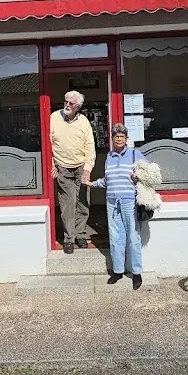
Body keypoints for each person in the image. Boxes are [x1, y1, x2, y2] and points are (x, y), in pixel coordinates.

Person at [88, 123, 145, 289]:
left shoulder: (135, 154)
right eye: (116, 136)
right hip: (112, 202)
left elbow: (149, 174)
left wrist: (138, 177)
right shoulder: (109, 157)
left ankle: (136, 273)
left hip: (130, 201)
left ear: (126, 139)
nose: (119, 139)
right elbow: (107, 180)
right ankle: (118, 271)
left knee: (133, 237)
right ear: (112, 139)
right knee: (115, 237)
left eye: (122, 136)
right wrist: (92, 184)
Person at [49, 90, 95, 254]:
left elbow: (90, 146)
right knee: (68, 204)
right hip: (62, 166)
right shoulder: (54, 117)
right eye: (66, 101)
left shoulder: (84, 122)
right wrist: (51, 163)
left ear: (78, 106)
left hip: (81, 166)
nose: (67, 104)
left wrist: (88, 169)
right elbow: (48, 142)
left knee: (82, 202)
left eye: (71, 103)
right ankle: (69, 238)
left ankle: (81, 235)